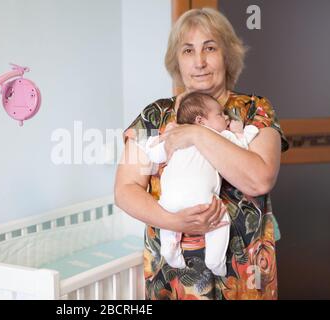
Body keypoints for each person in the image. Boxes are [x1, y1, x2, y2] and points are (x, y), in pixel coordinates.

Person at [114, 8, 289, 300]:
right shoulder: (155, 115)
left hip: (244, 279)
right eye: (187, 50)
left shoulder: (254, 110)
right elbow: (125, 190)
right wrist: (175, 222)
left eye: (210, 48)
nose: (199, 62)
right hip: (172, 279)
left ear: (227, 55)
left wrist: (197, 133)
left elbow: (259, 179)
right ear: (177, 61)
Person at [142, 92, 259, 277]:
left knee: (169, 215)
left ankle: (170, 249)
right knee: (220, 219)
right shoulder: (221, 136)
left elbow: (154, 155)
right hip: (201, 199)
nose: (226, 117)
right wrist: (240, 131)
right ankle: (215, 260)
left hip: (169, 202)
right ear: (201, 120)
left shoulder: (176, 137)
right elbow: (242, 146)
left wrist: (162, 138)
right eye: (220, 114)